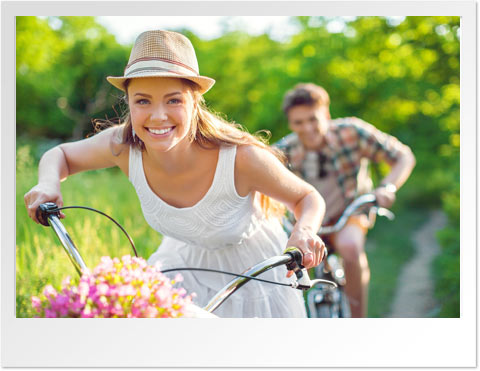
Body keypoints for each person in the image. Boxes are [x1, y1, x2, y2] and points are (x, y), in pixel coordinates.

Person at [24, 30, 327, 318]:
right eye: (143, 100)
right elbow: (59, 154)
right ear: (128, 102)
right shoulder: (122, 146)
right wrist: (48, 184)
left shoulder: (240, 159)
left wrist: (303, 231)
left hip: (254, 275)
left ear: (195, 102)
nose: (158, 116)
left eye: (174, 100)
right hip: (180, 266)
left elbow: (307, 197)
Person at [275, 83, 416, 318]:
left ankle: (358, 321)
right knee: (284, 263)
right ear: (290, 123)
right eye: (298, 122)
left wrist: (386, 187)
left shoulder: (351, 132)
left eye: (313, 119)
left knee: (350, 247)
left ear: (327, 115)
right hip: (308, 222)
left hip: (349, 213)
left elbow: (403, 156)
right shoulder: (284, 150)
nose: (307, 128)